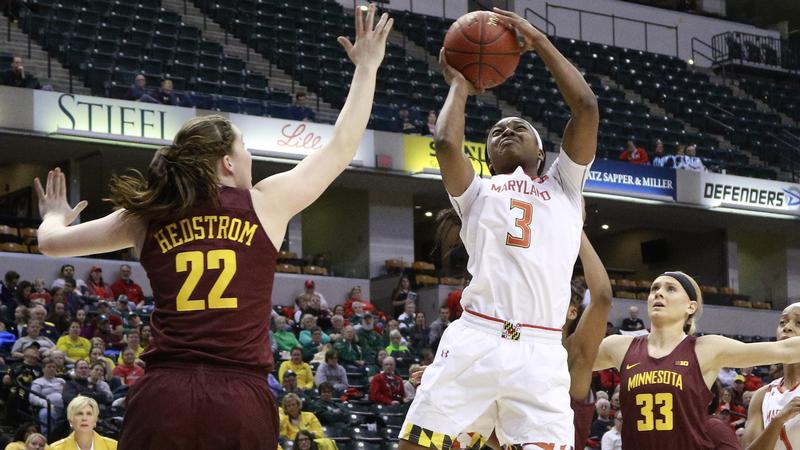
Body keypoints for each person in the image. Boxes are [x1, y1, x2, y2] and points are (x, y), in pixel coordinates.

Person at [34, 6, 391, 448]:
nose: (250, 159)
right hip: (238, 396)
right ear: (226, 161)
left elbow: (50, 244)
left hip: (164, 395)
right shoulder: (266, 203)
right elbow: (341, 146)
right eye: (244, 150)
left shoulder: (149, 212)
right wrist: (367, 68)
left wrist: (54, 213)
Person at [402, 7, 598, 449]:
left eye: (519, 128)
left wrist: (540, 43)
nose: (506, 129)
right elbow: (446, 143)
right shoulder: (476, 192)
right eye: (497, 130)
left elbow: (585, 108)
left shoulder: (565, 186)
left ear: (542, 155)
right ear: (488, 158)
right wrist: (458, 85)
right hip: (477, 337)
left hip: (542, 350)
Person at [593, 273, 800, 449]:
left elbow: (783, 349)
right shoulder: (618, 346)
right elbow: (572, 364)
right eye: (654, 288)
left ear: (691, 307)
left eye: (670, 289)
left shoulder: (706, 349)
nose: (659, 293)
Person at [742, 302, 800, 450]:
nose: (787, 327)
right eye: (782, 322)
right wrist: (778, 421)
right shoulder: (762, 396)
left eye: (799, 323)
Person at [49, 396, 117, 450]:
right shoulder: (55, 448)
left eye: (89, 414)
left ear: (95, 421)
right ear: (71, 420)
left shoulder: (113, 446)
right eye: (79, 414)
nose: (84, 418)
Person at [29, 358, 65, 435]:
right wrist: (45, 403)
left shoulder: (61, 381)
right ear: (43, 369)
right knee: (44, 414)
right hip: (47, 406)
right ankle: (47, 438)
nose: (51, 369)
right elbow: (32, 397)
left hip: (64, 406)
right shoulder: (38, 382)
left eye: (54, 367)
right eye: (49, 367)